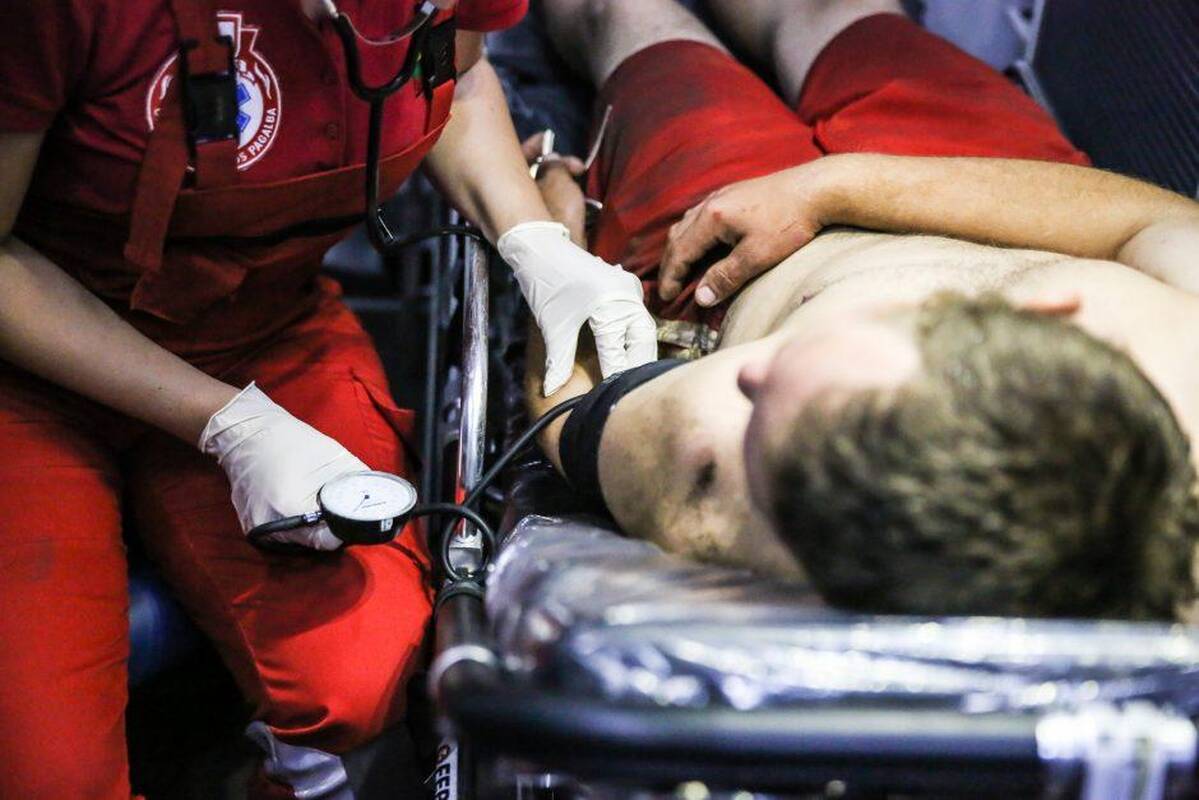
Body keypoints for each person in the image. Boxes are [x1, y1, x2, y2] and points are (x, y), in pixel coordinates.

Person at [0, 0, 657, 797]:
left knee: (360, 684)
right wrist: (225, 424)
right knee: (47, 775)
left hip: (266, 328)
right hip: (36, 362)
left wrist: (532, 240)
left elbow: (457, 74)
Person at [523, 0, 1199, 622]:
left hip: (712, 259)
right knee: (833, 16)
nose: (749, 378)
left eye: (760, 406)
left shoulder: (727, 483)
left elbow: (568, 409)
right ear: (1054, 313)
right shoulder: (1175, 344)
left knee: (630, 23)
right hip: (994, 183)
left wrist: (549, 236)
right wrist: (833, 189)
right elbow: (1157, 221)